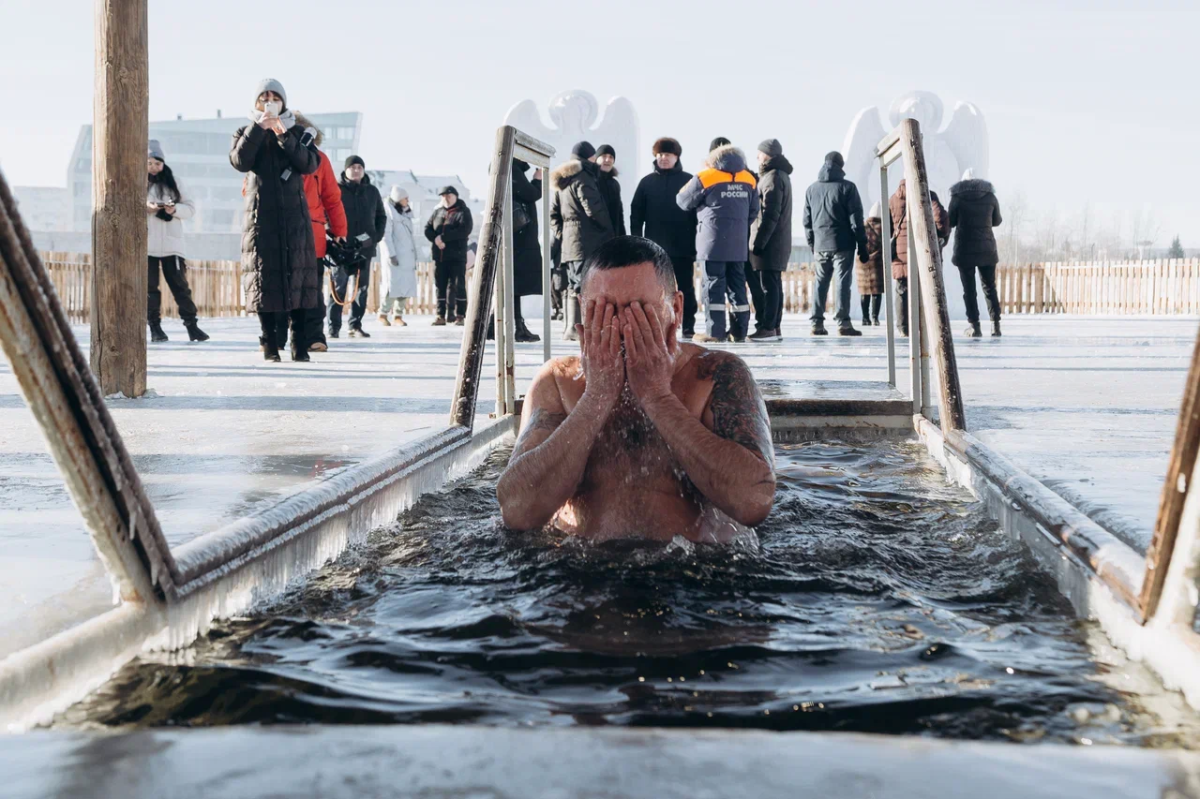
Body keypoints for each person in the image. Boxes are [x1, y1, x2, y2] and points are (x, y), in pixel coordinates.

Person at [496, 236, 775, 542]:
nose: (623, 329)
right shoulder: (558, 381)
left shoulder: (714, 374)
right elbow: (517, 509)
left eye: (640, 312)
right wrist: (595, 398)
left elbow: (754, 501)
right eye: (604, 312)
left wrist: (658, 397)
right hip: (578, 575)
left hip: (695, 575)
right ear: (582, 313)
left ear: (676, 309)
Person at [230, 78, 320, 362]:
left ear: (283, 101)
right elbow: (239, 161)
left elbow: (309, 164)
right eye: (264, 97)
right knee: (263, 277)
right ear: (257, 103)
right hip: (260, 217)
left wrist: (284, 135)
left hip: (295, 216)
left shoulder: (298, 131)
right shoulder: (245, 131)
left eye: (275, 97)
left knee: (300, 277)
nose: (269, 102)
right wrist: (259, 129)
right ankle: (269, 341)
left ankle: (299, 343)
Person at [676, 143, 759, 344]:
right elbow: (753, 211)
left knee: (713, 286)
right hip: (738, 244)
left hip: (712, 244)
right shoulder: (749, 179)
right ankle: (739, 332)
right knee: (738, 286)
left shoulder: (706, 176)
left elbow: (682, 200)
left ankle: (715, 331)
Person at [630, 137, 698, 339]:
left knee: (685, 288)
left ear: (676, 157)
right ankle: (657, 324)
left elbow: (697, 215)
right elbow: (636, 214)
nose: (663, 158)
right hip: (654, 248)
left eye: (667, 155)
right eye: (659, 155)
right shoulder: (646, 183)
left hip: (683, 247)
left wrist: (695, 242)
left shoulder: (689, 181)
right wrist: (637, 242)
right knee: (656, 289)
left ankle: (687, 325)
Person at [550, 141, 615, 340]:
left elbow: (553, 215)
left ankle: (571, 327)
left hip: (571, 244)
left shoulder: (563, 182)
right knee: (584, 284)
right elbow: (593, 209)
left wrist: (565, 234)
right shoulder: (583, 177)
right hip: (587, 241)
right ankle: (579, 329)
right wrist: (609, 232)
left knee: (574, 283)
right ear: (589, 158)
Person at [292, 112, 346, 353]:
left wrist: (339, 231)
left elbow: (332, 198)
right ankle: (281, 335)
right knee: (284, 288)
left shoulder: (320, 159)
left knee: (311, 288)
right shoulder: (274, 156)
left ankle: (315, 336)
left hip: (313, 232)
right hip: (281, 232)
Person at [146, 139, 207, 344]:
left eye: (157, 163)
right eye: (150, 163)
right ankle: (155, 328)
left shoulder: (175, 181)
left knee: (180, 287)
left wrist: (174, 210)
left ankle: (192, 326)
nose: (154, 167)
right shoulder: (137, 182)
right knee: (150, 289)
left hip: (172, 245)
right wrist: (147, 208)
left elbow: (190, 208)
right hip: (147, 246)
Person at [802, 151, 868, 337]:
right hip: (843, 244)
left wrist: (812, 244)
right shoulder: (847, 187)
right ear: (841, 166)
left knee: (820, 283)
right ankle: (843, 323)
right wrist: (862, 245)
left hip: (820, 244)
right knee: (842, 283)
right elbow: (856, 219)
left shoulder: (811, 189)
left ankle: (816, 322)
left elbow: (806, 221)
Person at [330, 155, 385, 339]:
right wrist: (333, 237)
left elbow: (381, 217)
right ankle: (334, 326)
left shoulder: (372, 191)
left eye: (359, 167)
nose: (356, 170)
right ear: (345, 170)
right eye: (352, 167)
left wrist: (375, 237)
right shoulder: (336, 189)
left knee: (361, 288)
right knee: (339, 287)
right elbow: (326, 213)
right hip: (342, 248)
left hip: (364, 248)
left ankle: (355, 325)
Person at [889, 178, 949, 337]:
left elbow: (887, 227)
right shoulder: (927, 195)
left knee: (902, 289)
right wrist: (941, 237)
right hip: (924, 249)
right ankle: (927, 325)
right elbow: (941, 219)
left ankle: (903, 328)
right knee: (927, 288)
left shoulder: (894, 199)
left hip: (901, 254)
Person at [948, 170, 1004, 337]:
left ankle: (975, 326)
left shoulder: (957, 198)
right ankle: (995, 326)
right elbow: (997, 221)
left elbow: (950, 222)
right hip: (987, 249)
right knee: (990, 288)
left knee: (969, 290)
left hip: (965, 250)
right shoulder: (990, 197)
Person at [748, 138, 792, 343]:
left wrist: (758, 243)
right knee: (774, 284)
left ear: (768, 154)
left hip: (770, 242)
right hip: (776, 241)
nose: (757, 156)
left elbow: (770, 214)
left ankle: (768, 327)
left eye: (760, 153)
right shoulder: (777, 175)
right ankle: (774, 326)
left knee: (769, 286)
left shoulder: (772, 177)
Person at [425, 186, 474, 325]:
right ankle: (441, 315)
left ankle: (460, 315)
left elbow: (464, 230)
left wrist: (443, 238)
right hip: (440, 257)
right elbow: (427, 228)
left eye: (449, 196)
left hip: (456, 256)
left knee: (458, 285)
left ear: (456, 196)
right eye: (444, 196)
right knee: (440, 286)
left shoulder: (463, 211)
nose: (446, 198)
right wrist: (436, 239)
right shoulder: (438, 212)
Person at [512, 159, 544, 343]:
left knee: (513, 284)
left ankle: (514, 325)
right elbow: (532, 194)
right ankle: (517, 326)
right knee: (515, 283)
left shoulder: (512, 170)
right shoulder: (514, 171)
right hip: (520, 238)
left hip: (517, 237)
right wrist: (537, 179)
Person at [378, 186, 418, 327]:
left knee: (405, 287)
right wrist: (391, 254)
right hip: (395, 256)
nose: (408, 201)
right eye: (405, 198)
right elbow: (386, 235)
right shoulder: (389, 213)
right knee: (392, 287)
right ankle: (383, 313)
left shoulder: (405, 214)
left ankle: (398, 315)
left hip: (406, 256)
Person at [858, 201, 885, 327]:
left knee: (864, 291)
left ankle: (865, 318)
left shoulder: (862, 226)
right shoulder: (883, 227)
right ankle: (875, 318)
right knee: (876, 292)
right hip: (877, 262)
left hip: (862, 261)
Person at [595, 144, 626, 237]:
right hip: (594, 238)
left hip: (612, 238)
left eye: (611, 157)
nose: (608, 160)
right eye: (604, 156)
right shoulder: (591, 181)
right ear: (596, 159)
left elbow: (619, 215)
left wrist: (623, 239)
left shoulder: (615, 184)